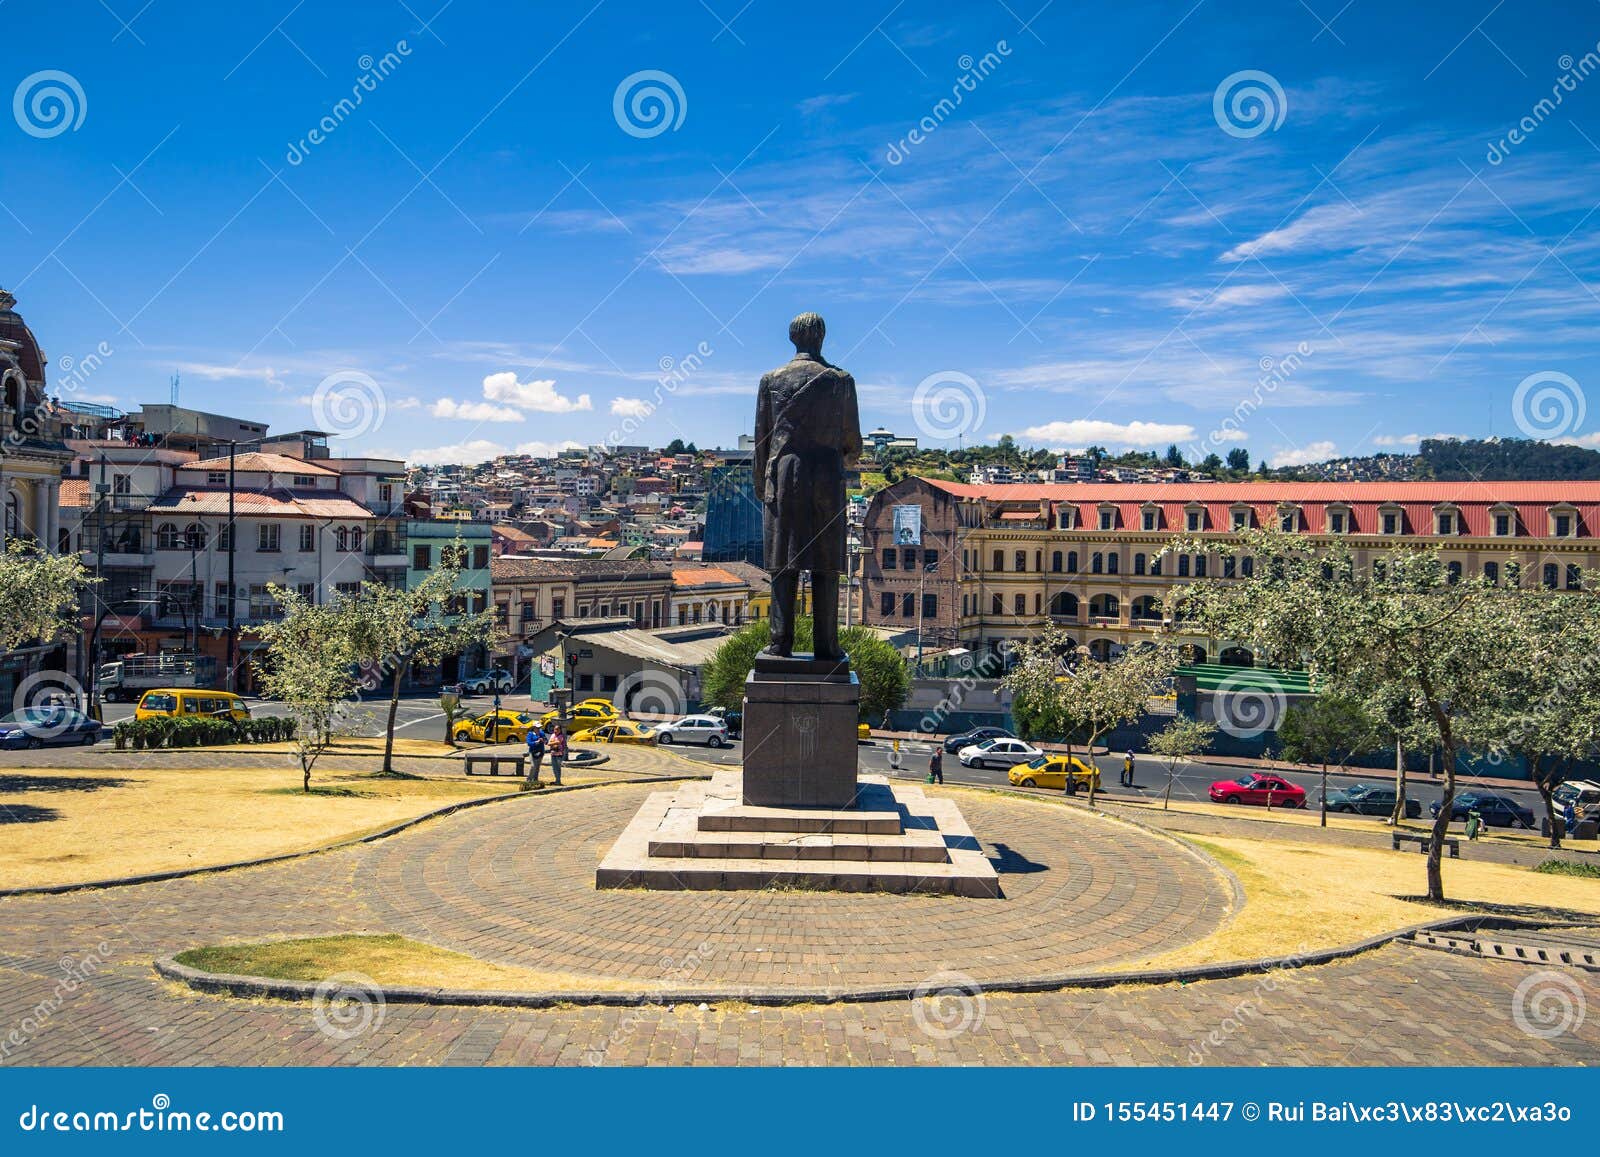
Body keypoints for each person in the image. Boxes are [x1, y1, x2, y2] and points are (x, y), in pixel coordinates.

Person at [524, 724, 547, 789]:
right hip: (533, 752)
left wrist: (543, 740)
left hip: (540, 752)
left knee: (537, 767)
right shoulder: (530, 734)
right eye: (537, 727)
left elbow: (546, 741)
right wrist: (535, 742)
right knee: (533, 766)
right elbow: (529, 743)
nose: (538, 729)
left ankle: (535, 780)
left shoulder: (541, 733)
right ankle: (529, 779)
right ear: (534, 728)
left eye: (539, 727)